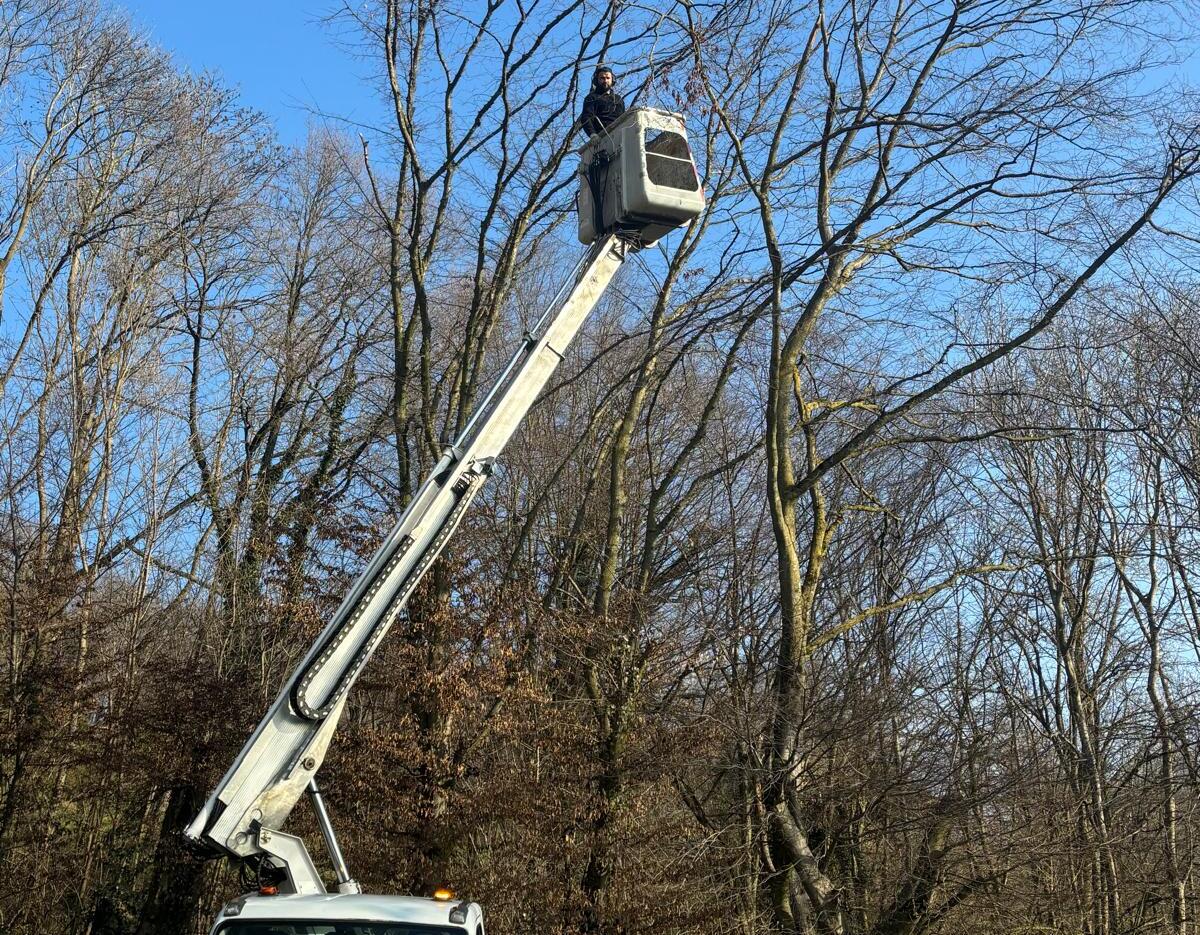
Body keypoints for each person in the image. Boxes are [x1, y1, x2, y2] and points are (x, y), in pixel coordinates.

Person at [579, 65, 625, 137]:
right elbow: (586, 117)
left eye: (608, 78)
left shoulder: (618, 99)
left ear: (612, 80)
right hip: (601, 136)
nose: (605, 81)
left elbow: (623, 118)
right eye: (602, 78)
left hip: (619, 134)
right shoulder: (591, 98)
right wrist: (592, 134)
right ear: (597, 80)